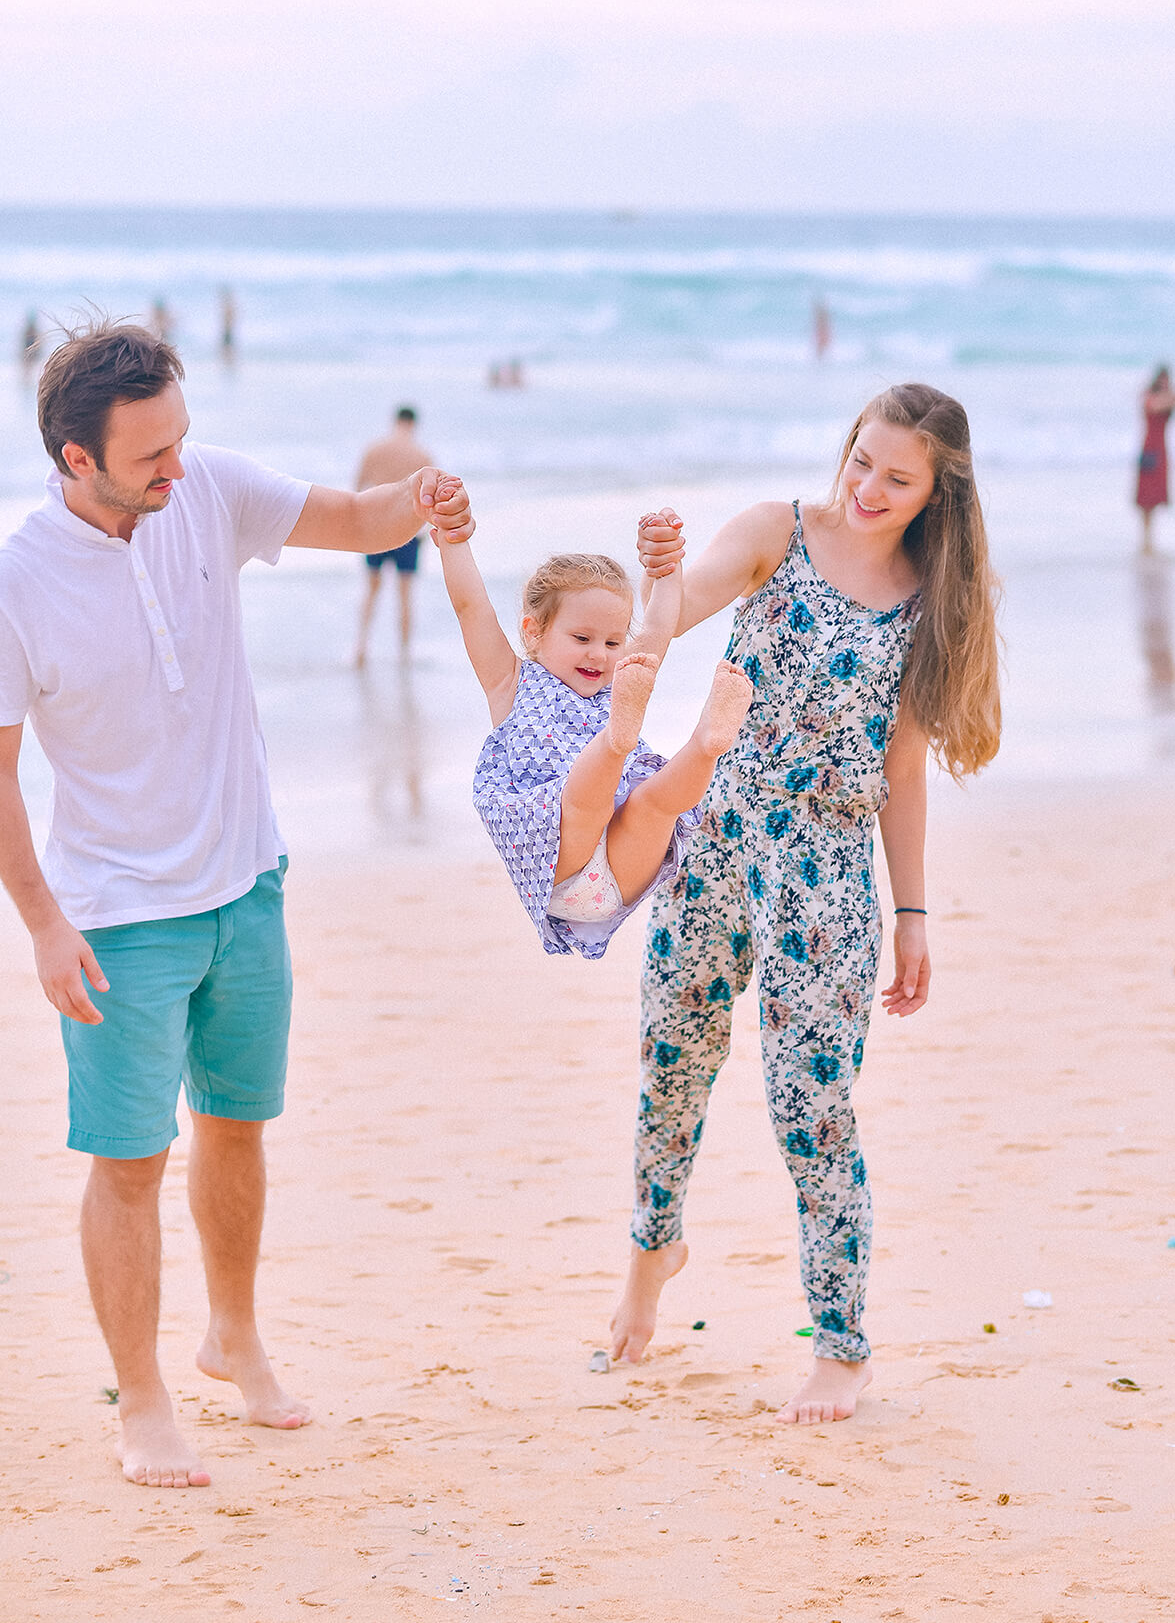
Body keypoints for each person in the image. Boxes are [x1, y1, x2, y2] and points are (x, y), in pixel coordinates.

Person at [0, 318, 452, 1490]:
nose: (177, 467)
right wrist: (45, 920)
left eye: (182, 439)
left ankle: (232, 1335)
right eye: (151, 453)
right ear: (73, 457)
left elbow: (356, 519)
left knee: (239, 1124)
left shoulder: (208, 492)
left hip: (248, 882)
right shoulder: (17, 582)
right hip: (117, 917)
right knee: (129, 1159)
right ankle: (142, 1398)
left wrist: (423, 493)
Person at [609, 382, 1001, 1426]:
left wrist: (912, 913)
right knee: (672, 1059)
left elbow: (903, 769)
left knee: (809, 1108)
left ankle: (840, 1346)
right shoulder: (774, 532)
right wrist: (653, 573)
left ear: (935, 491)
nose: (868, 487)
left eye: (897, 477)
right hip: (718, 832)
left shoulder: (931, 597)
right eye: (861, 460)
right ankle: (653, 1250)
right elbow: (665, 621)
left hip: (826, 874)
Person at [431, 485, 752, 961]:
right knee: (583, 801)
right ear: (533, 631)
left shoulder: (623, 678)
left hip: (620, 874)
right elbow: (470, 607)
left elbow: (661, 625)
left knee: (655, 803)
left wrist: (666, 568)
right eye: (582, 637)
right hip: (561, 864)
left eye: (612, 641)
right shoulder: (510, 682)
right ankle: (616, 744)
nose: (599, 654)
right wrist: (454, 539)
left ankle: (707, 743)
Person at [354, 406, 435, 667]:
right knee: (405, 593)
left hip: (376, 527)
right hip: (407, 531)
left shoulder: (374, 450)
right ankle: (404, 653)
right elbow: (431, 500)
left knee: (371, 589)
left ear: (395, 421)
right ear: (413, 424)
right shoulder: (422, 455)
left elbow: (357, 491)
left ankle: (361, 647)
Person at [1134, 365, 1175, 552]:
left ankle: (1149, 538)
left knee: (1155, 494)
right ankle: (1146, 538)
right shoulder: (1150, 398)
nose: (1164, 383)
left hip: (1161, 449)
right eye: (1162, 379)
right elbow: (1158, 404)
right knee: (1145, 496)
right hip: (1150, 447)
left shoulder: (1166, 399)